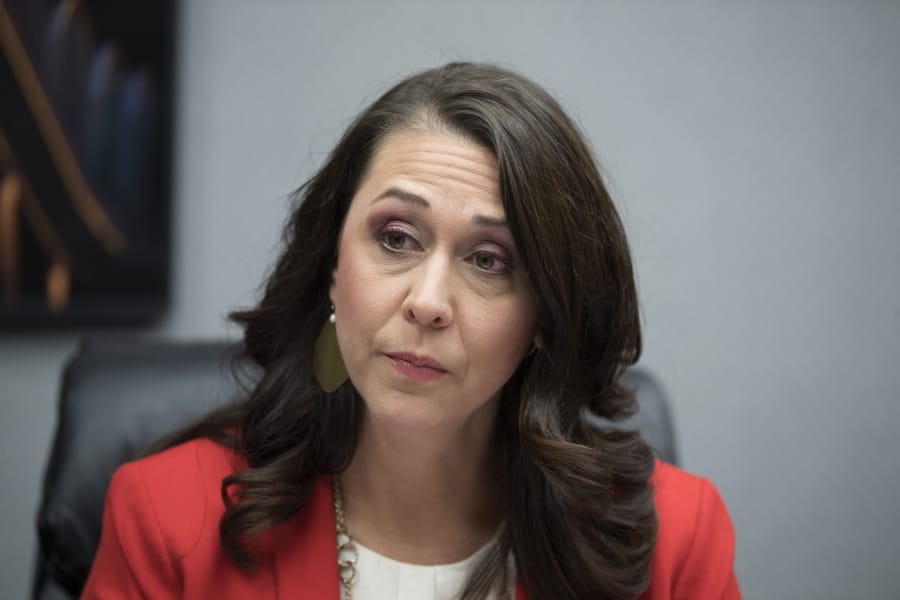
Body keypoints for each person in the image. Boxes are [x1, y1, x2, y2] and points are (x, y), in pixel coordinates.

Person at [82, 62, 740, 599]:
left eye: (489, 260)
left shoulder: (677, 538)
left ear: (545, 316)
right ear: (333, 269)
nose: (428, 302)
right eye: (396, 238)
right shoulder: (166, 517)